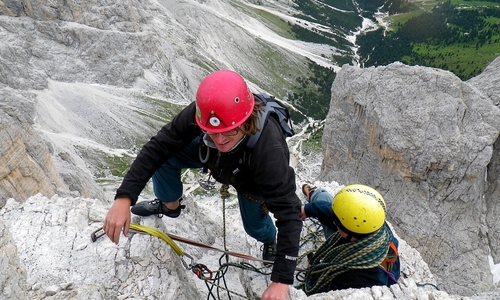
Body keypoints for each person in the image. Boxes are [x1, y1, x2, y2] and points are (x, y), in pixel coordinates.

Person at [103, 69, 302, 300]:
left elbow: (289, 212)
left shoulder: (269, 151)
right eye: (212, 133)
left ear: (246, 120)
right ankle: (170, 206)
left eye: (229, 131)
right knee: (167, 155)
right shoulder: (204, 113)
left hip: (252, 179)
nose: (220, 140)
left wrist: (280, 281)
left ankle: (269, 240)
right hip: (218, 161)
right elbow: (158, 147)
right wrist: (124, 198)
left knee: (255, 228)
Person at [299, 183, 400, 295]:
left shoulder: (358, 278)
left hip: (358, 273)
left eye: (337, 225)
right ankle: (314, 194)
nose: (335, 224)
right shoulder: (374, 224)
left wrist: (316, 273)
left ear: (351, 233)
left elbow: (325, 292)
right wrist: (307, 210)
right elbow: (335, 214)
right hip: (356, 246)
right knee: (324, 199)